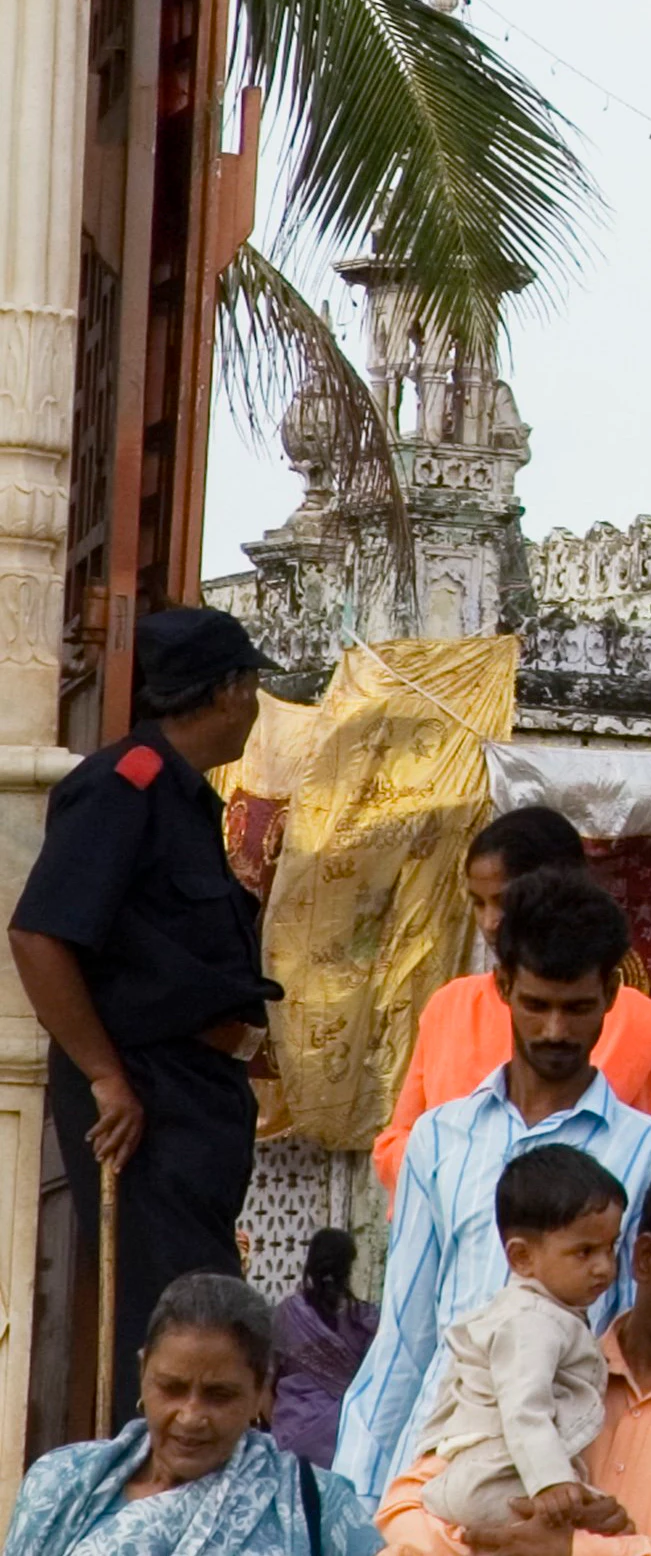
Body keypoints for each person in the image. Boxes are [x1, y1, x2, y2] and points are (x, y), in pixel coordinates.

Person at [335, 869, 651, 1505]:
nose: (555, 1030)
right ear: (502, 987)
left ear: (610, 994)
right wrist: (356, 1496)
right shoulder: (441, 1138)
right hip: (438, 1470)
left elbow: (641, 1347)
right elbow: (406, 1336)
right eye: (536, 1004)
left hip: (571, 1478)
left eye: (577, 1007)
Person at [8, 607, 279, 1424]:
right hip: (146, 1092)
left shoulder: (184, 797)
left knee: (200, 1303)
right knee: (179, 1323)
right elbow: (39, 936)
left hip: (197, 1090)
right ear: (230, 691)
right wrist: (104, 1076)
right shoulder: (123, 785)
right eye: (253, 687)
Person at [376, 1154, 651, 1556]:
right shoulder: (532, 1357)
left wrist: (575, 1550)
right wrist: (504, 1542)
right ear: (645, 1258)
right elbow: (406, 1505)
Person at [376, 807, 651, 1199]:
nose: (489, 922)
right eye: (478, 903)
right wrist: (461, 1175)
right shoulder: (448, 1007)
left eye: (502, 901)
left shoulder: (640, 1025)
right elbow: (397, 1142)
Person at [4, 1272, 384, 1556]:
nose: (190, 1416)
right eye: (171, 1388)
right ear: (142, 1375)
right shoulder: (59, 1486)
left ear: (259, 1392)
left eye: (219, 1395)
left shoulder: (316, 1505)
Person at [415, 1145, 626, 1531]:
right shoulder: (530, 1320)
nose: (604, 1267)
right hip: (495, 1479)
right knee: (604, 1526)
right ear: (522, 1258)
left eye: (611, 1247)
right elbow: (524, 1407)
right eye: (584, 1251)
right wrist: (552, 1481)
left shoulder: (551, 1313)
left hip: (496, 1475)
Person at [271, 1229, 378, 1468]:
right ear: (349, 1268)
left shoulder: (287, 1314)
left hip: (291, 1432)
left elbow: (268, 1378)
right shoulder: (366, 1319)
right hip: (348, 1437)